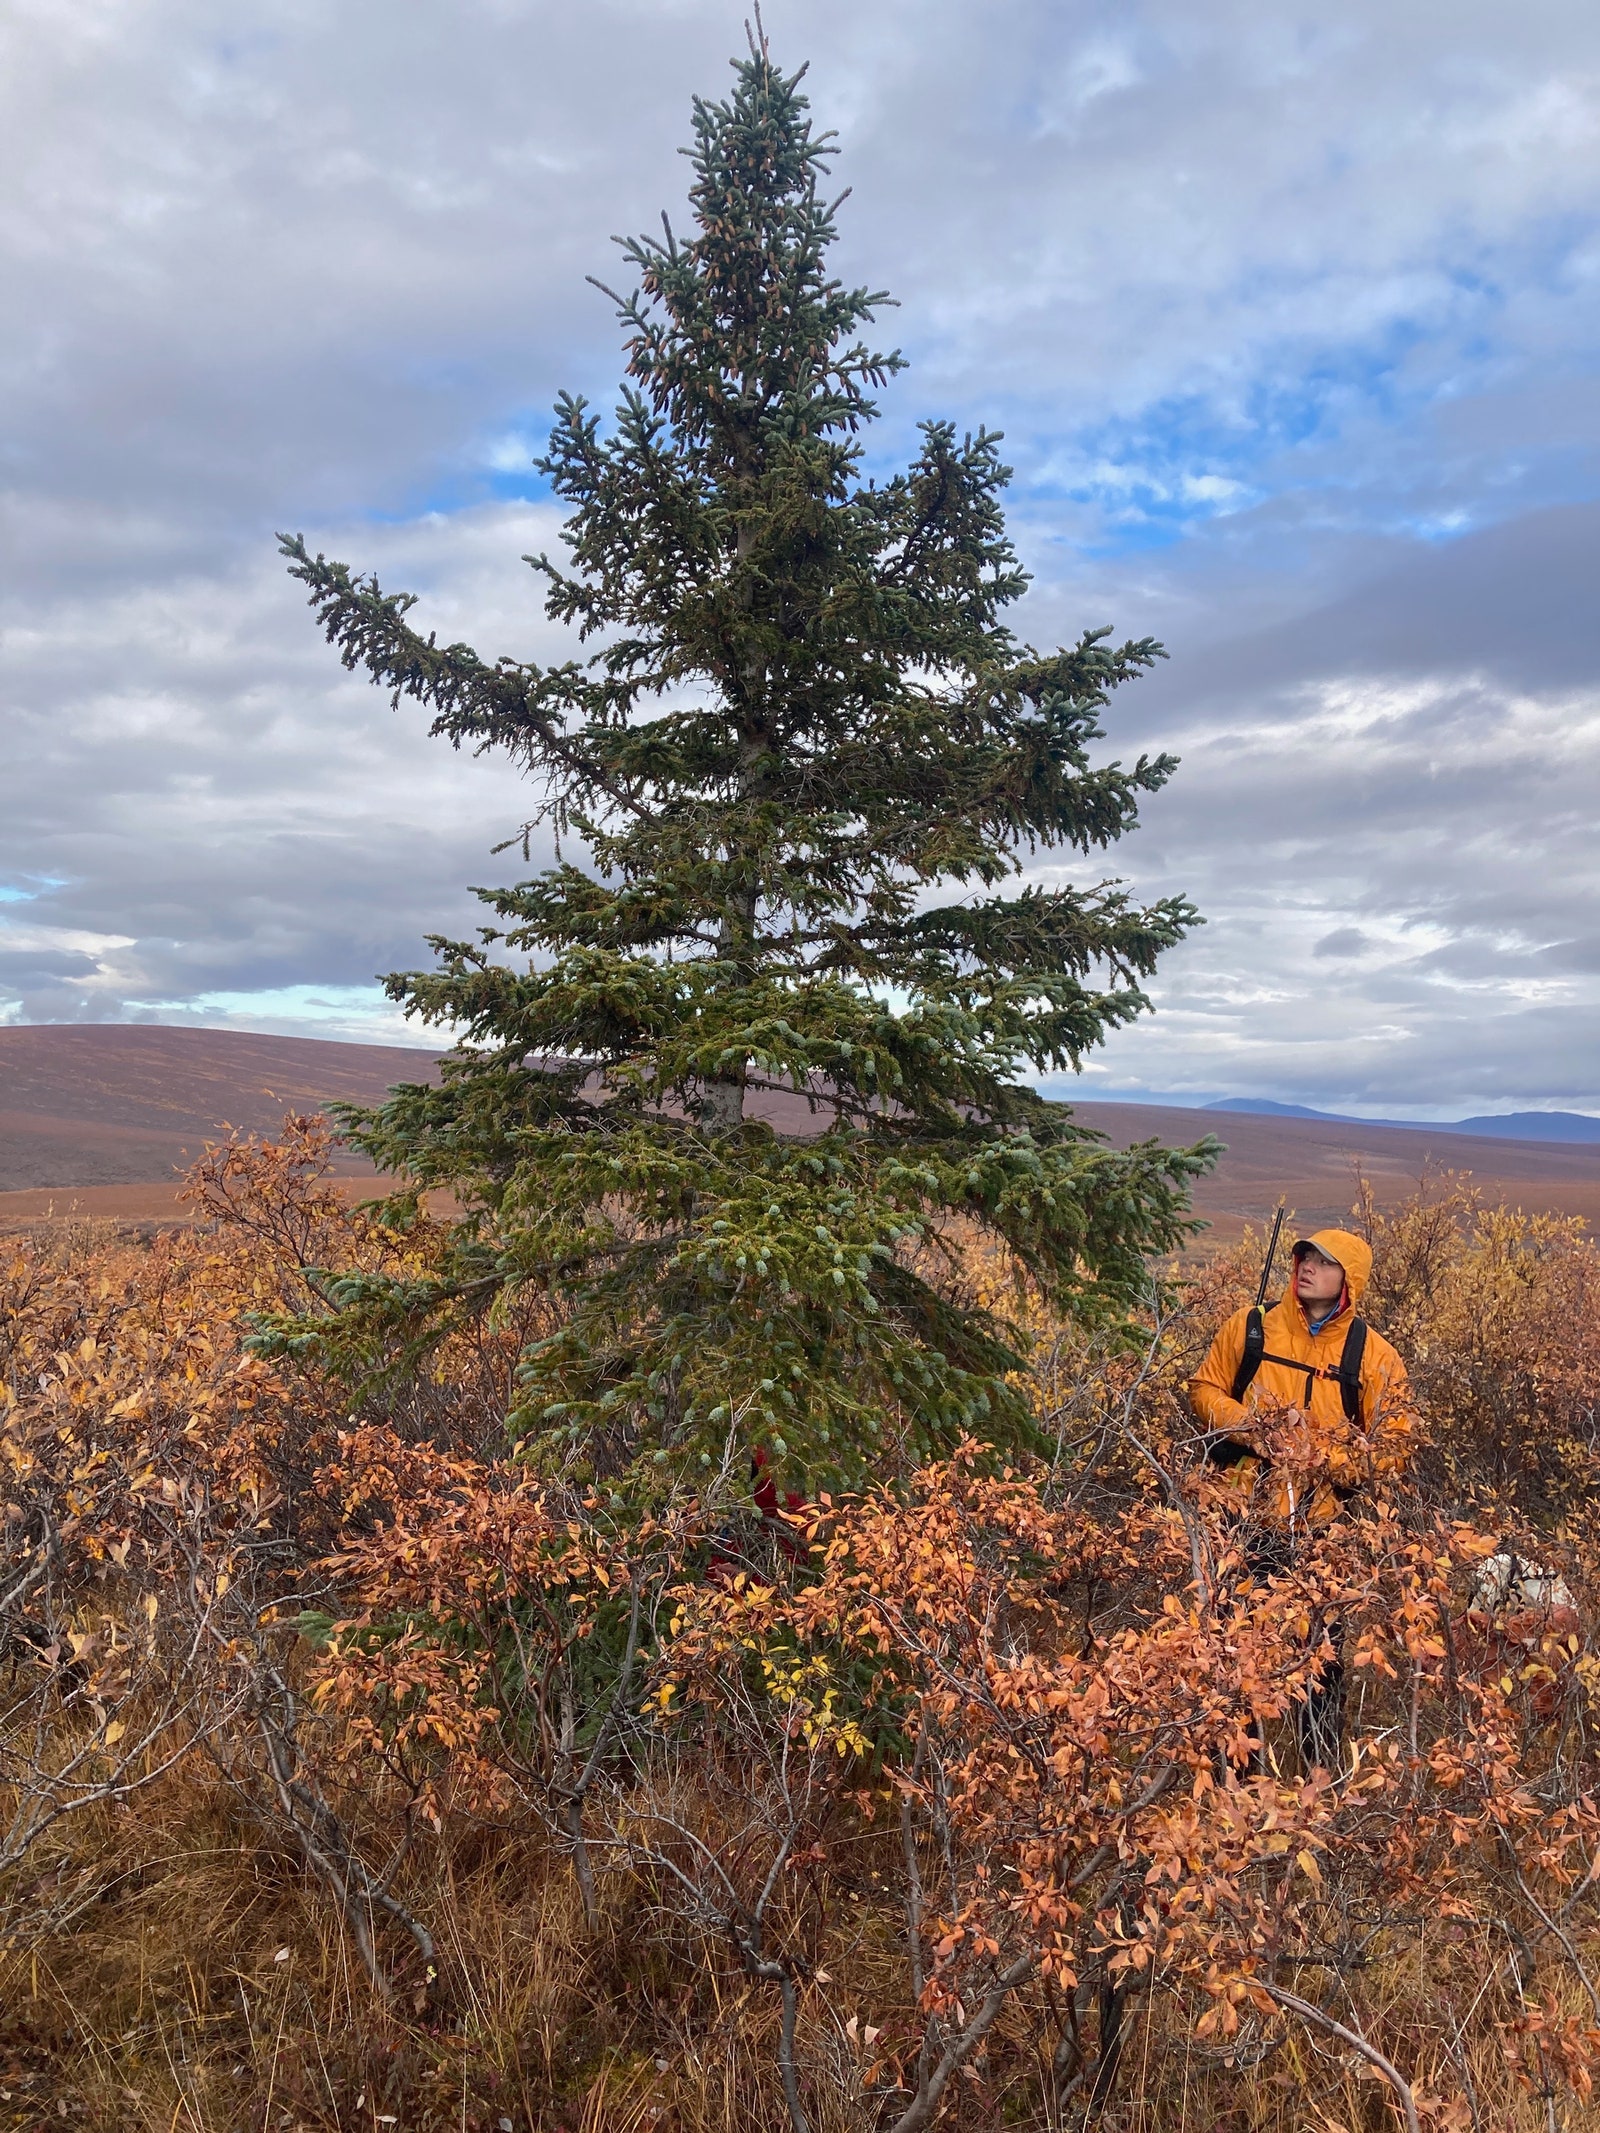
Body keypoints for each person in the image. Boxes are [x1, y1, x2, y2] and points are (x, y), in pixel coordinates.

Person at [1189, 1226, 1416, 1774]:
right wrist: (1256, 1430)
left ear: (1349, 1281)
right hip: (1239, 1520)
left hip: (1320, 1533)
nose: (1307, 1266)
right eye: (1305, 1255)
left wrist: (1319, 1459)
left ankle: (1320, 1782)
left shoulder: (1374, 1357)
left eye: (1324, 1261)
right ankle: (1233, 1781)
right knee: (1231, 1652)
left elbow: (1394, 1448)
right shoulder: (1250, 1329)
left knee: (1320, 1661)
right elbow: (1203, 1390)